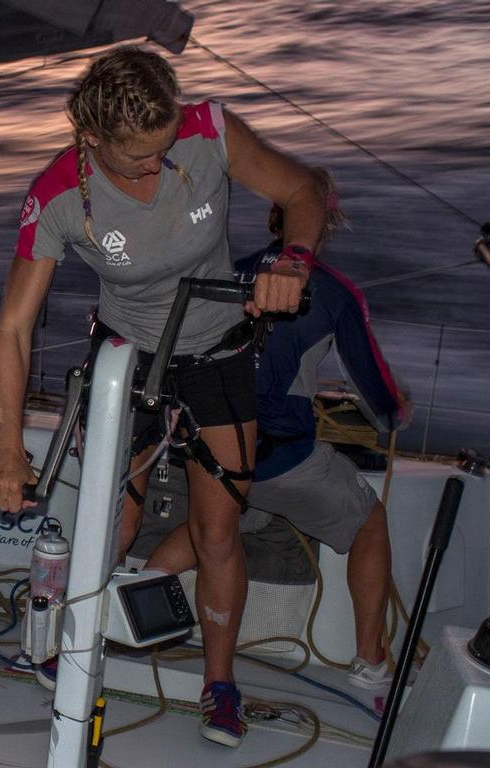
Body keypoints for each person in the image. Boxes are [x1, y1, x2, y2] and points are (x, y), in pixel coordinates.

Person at [0, 46, 326, 748]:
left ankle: (219, 685)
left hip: (220, 352)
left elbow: (305, 192)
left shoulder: (209, 130)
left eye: (166, 148)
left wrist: (293, 258)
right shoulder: (56, 195)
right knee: (115, 527)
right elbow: (14, 327)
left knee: (217, 532)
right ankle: (65, 649)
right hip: (125, 362)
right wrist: (8, 444)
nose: (160, 168)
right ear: (92, 140)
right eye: (138, 159)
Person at [139, 168, 409, 694]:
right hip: (282, 459)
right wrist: (396, 415)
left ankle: (124, 617)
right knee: (370, 522)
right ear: (323, 223)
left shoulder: (226, 272)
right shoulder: (335, 293)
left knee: (213, 526)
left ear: (274, 215)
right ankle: (371, 661)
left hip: (212, 447)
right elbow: (375, 387)